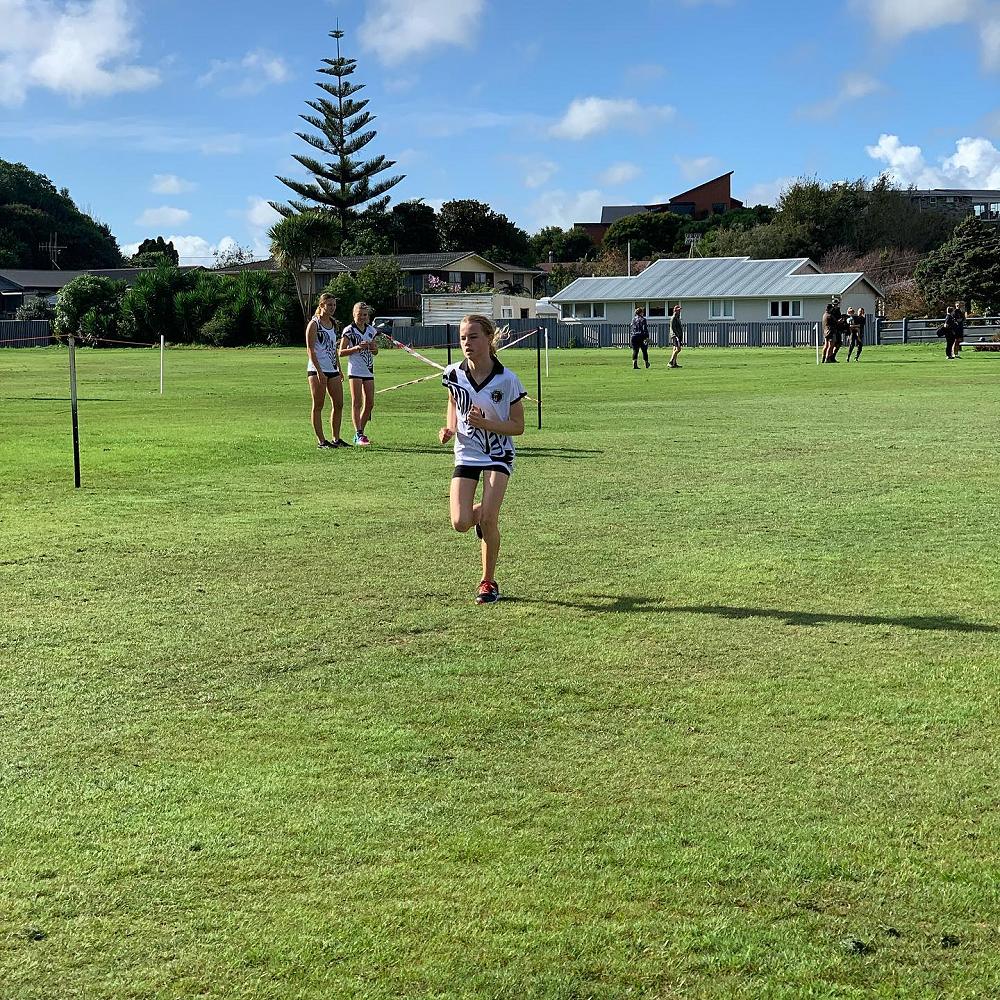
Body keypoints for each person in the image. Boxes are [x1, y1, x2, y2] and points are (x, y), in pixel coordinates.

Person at [439, 314, 526, 605]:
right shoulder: (453, 373)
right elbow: (453, 401)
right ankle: (481, 513)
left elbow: (518, 426)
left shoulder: (507, 379)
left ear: (489, 339)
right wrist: (450, 426)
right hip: (466, 453)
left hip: (498, 453)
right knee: (460, 522)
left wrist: (486, 423)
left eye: (473, 337)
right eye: (463, 337)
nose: (467, 343)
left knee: (490, 519)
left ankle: (488, 582)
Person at [305, 292, 347, 449]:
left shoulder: (332, 324)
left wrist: (339, 369)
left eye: (334, 305)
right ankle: (321, 441)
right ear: (321, 305)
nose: (332, 308)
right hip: (317, 370)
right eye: (329, 305)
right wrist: (318, 371)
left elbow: (333, 348)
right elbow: (310, 350)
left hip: (332, 369)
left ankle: (336, 438)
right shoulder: (314, 324)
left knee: (339, 403)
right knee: (318, 405)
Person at [339, 302, 379, 446]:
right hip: (355, 370)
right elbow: (341, 352)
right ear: (354, 314)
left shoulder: (371, 331)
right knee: (357, 402)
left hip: (368, 370)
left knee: (370, 403)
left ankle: (360, 431)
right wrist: (356, 348)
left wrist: (373, 348)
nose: (362, 317)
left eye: (365, 315)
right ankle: (359, 434)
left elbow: (375, 352)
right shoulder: (349, 330)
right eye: (359, 314)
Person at [668, 304, 683, 368]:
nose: (679, 311)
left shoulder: (677, 317)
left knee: (675, 349)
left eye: (680, 310)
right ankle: (670, 362)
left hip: (678, 335)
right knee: (678, 349)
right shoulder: (673, 318)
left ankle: (674, 363)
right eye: (678, 310)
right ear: (675, 311)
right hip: (675, 335)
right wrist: (676, 335)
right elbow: (673, 328)